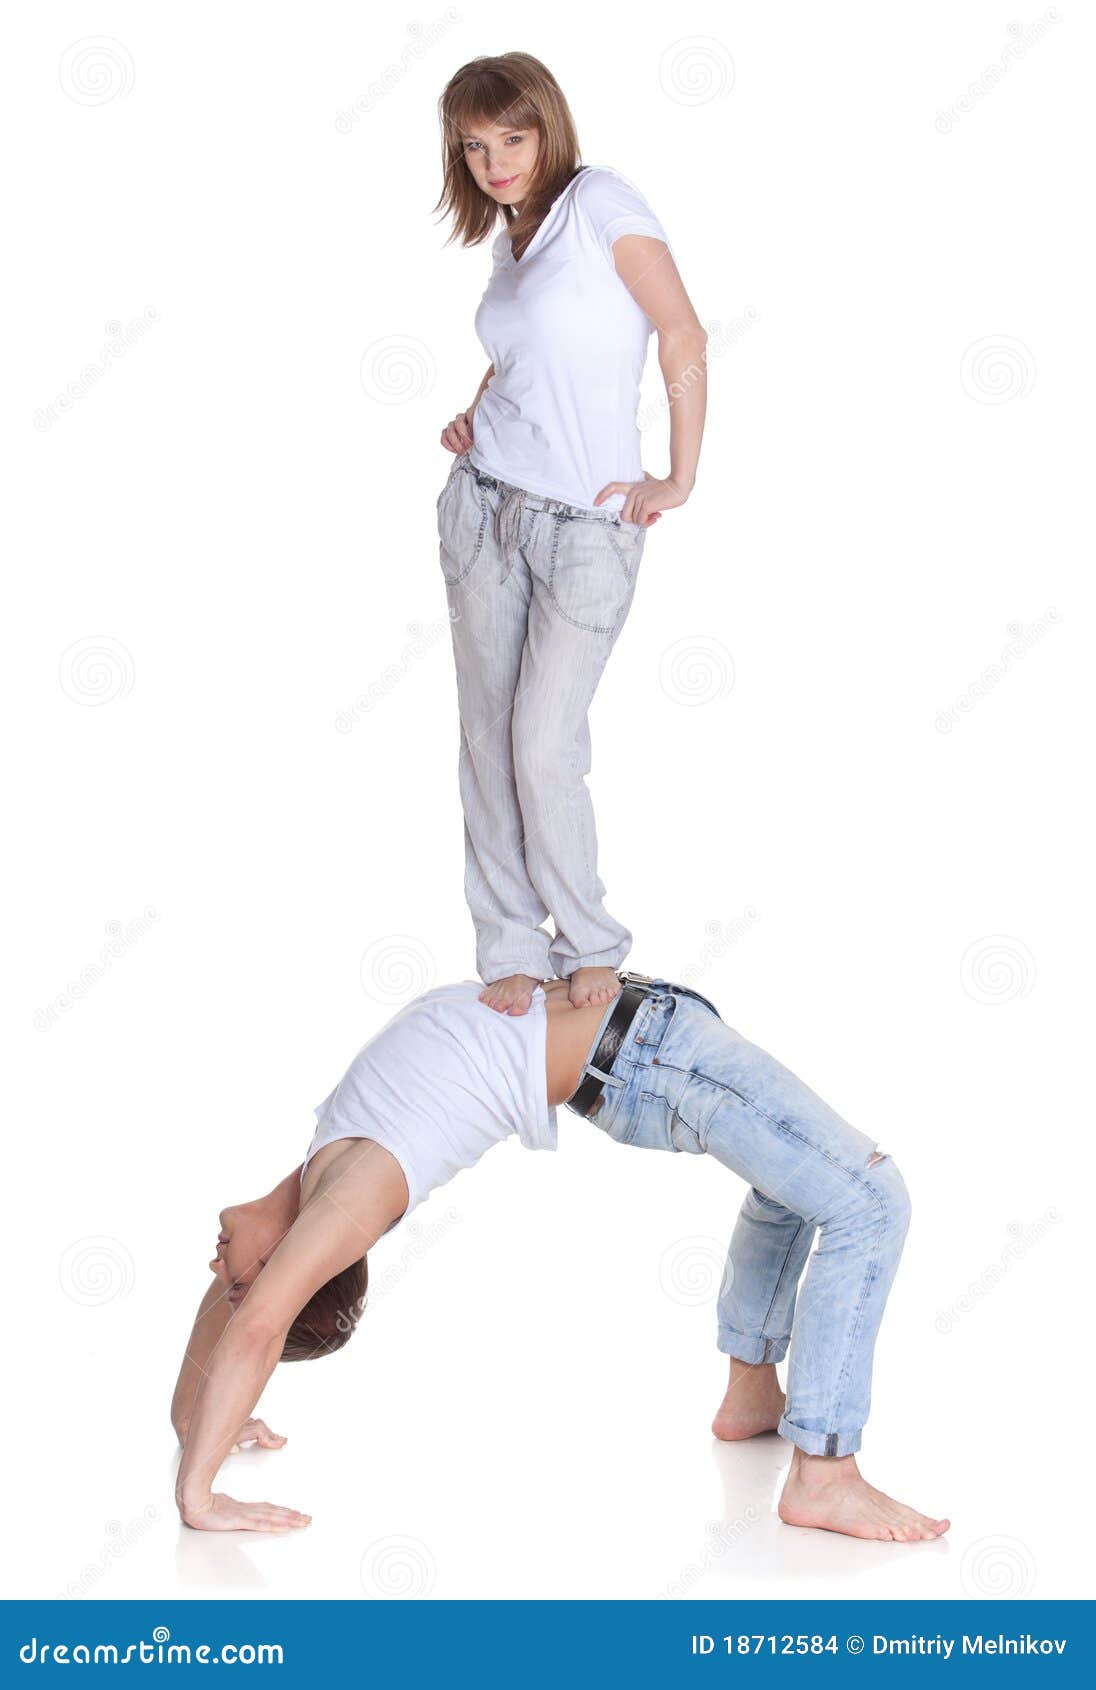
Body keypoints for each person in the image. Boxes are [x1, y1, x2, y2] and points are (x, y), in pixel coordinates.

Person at [171, 973, 949, 1544]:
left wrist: (197, 1424)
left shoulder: (320, 1168)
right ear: (279, 1267)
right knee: (871, 1202)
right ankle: (824, 1474)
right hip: (654, 1057)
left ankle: (752, 1396)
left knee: (794, 1184)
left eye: (227, 1284)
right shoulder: (355, 1189)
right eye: (239, 1282)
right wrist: (197, 1498)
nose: (216, 1270)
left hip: (647, 1046)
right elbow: (257, 1325)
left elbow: (242, 1316)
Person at [433, 53, 708, 1018]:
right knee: (487, 739)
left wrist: (678, 474)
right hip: (484, 506)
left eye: (512, 138)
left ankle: (588, 941)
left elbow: (682, 332)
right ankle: (509, 944)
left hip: (590, 527)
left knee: (544, 743)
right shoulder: (512, 238)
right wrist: (474, 414)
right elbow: (517, 359)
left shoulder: (600, 202)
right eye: (475, 147)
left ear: (548, 126)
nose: (495, 162)